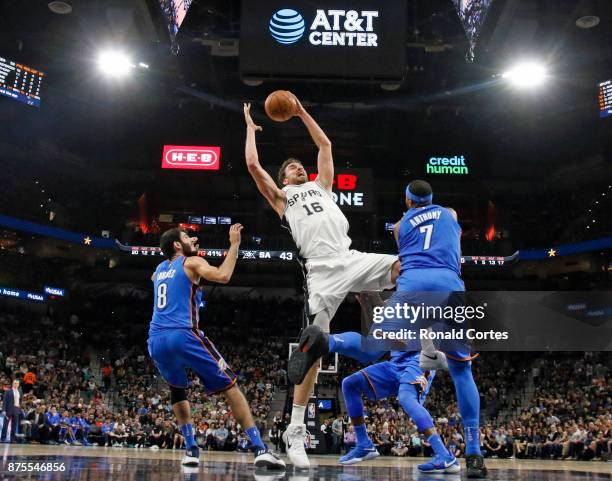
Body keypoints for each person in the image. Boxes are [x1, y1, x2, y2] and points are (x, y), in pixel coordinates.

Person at [288, 180, 487, 477]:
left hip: (412, 286)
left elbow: (404, 249)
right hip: (448, 286)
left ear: (407, 201)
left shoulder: (400, 226)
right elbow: (448, 225)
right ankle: (473, 453)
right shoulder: (450, 213)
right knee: (461, 372)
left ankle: (329, 342)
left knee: (373, 347)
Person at [244, 98, 399, 469]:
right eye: (290, 166)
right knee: (314, 345)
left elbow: (325, 146)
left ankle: (409, 327)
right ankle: (295, 432)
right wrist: (250, 128)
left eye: (299, 164)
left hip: (351, 257)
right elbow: (252, 165)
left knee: (405, 267)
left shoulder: (322, 186)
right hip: (320, 272)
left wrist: (300, 113)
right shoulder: (283, 198)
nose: (297, 166)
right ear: (284, 178)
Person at [147, 225, 284, 469]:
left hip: (156, 339)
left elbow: (164, 281)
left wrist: (191, 264)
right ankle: (259, 449)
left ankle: (190, 449)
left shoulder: (158, 269)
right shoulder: (190, 262)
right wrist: (234, 245)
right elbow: (223, 276)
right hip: (183, 334)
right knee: (231, 386)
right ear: (178, 245)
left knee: (177, 390)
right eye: (188, 237)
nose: (194, 239)